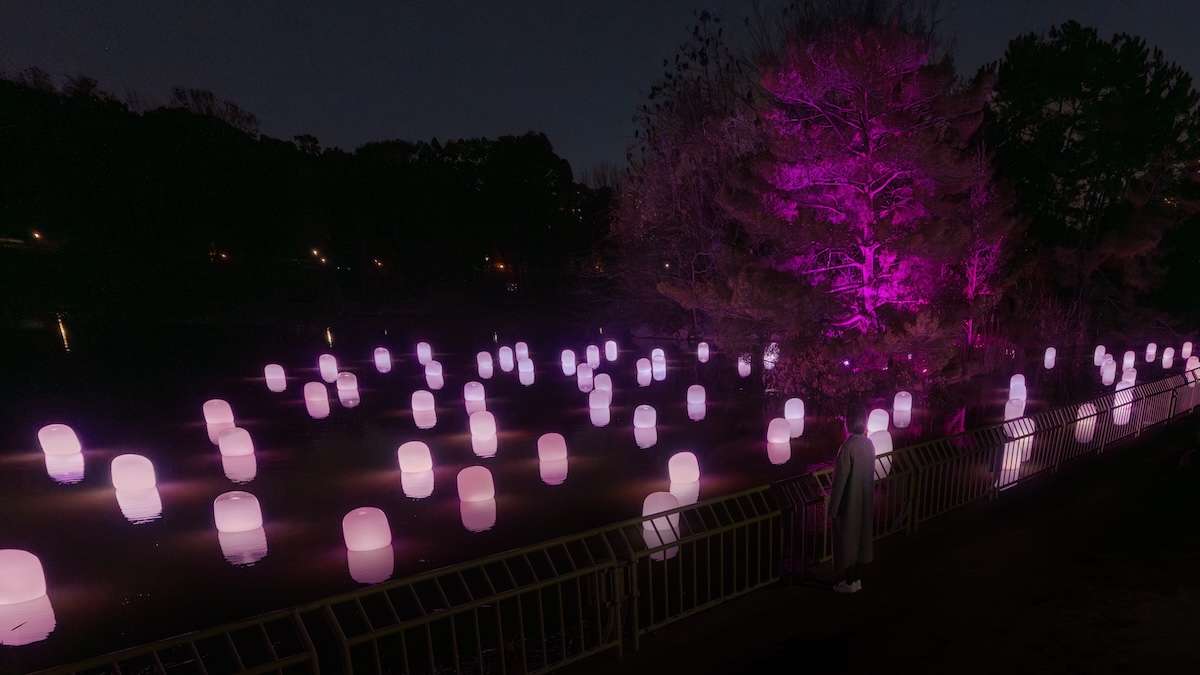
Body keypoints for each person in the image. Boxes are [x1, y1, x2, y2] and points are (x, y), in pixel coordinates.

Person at [828, 406, 875, 593]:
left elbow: (840, 480)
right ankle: (856, 580)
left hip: (850, 502)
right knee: (860, 541)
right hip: (864, 499)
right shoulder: (869, 444)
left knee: (847, 543)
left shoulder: (847, 447)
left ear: (848, 422)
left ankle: (849, 583)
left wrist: (833, 508)